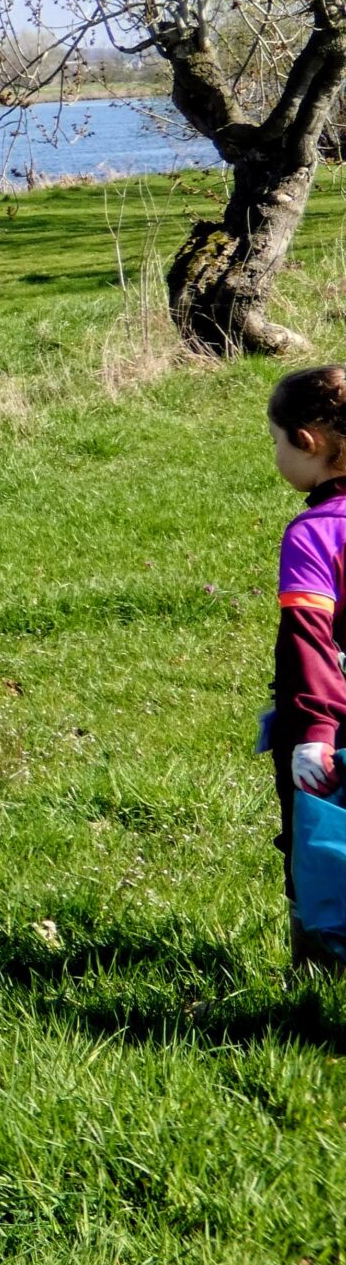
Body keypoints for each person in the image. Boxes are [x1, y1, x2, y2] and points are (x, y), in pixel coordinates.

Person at [264, 366, 346, 967]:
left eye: (275, 441)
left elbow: (309, 640)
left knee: (318, 846)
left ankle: (317, 975)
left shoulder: (315, 534)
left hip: (331, 735)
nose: (275, 455)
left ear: (307, 442)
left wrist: (313, 733)